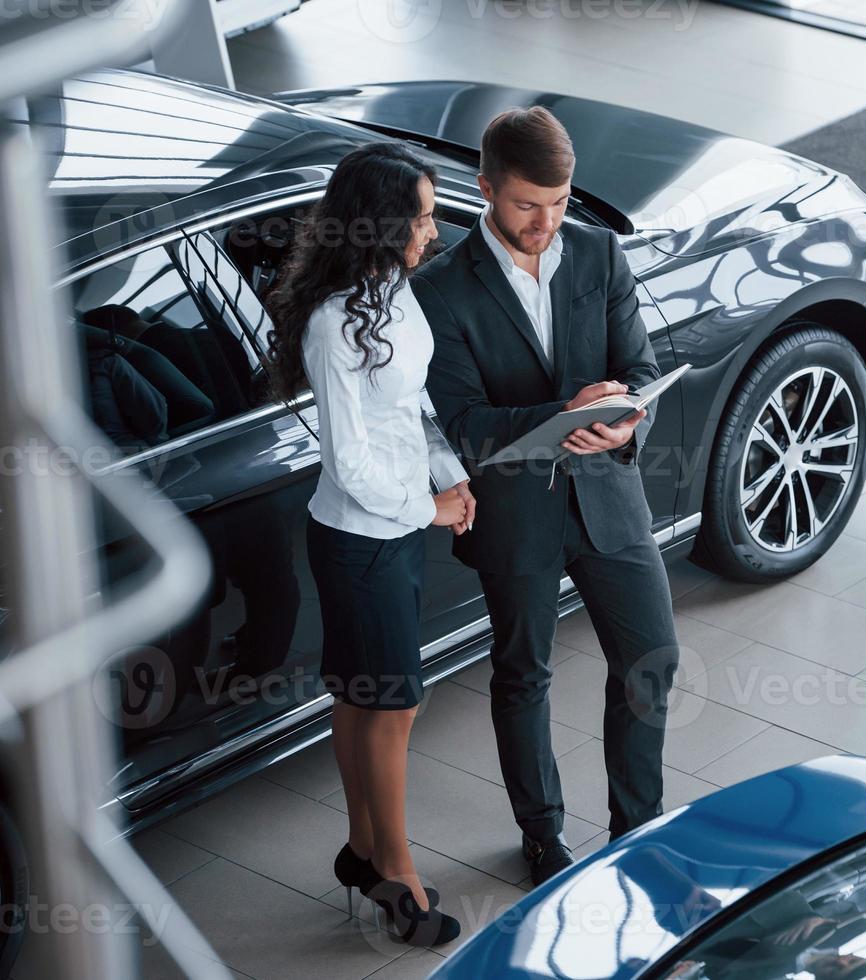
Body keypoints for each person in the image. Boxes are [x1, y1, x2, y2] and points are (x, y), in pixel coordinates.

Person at [415, 106, 679, 885]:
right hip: (513, 511)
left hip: (607, 494)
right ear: (487, 188)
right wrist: (560, 416)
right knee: (522, 671)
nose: (546, 221)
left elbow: (637, 365)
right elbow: (463, 424)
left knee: (649, 658)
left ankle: (636, 830)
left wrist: (623, 423)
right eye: (529, 204)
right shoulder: (439, 289)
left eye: (558, 203)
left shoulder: (599, 252)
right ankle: (542, 837)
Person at [265, 141, 473, 947]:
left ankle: (361, 849)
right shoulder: (330, 323)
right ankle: (399, 873)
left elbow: (410, 409)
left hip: (395, 523)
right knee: (395, 703)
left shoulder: (395, 291)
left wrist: (449, 476)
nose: (434, 228)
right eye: (421, 216)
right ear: (381, 224)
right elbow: (348, 459)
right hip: (360, 537)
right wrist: (426, 509)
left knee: (360, 695)